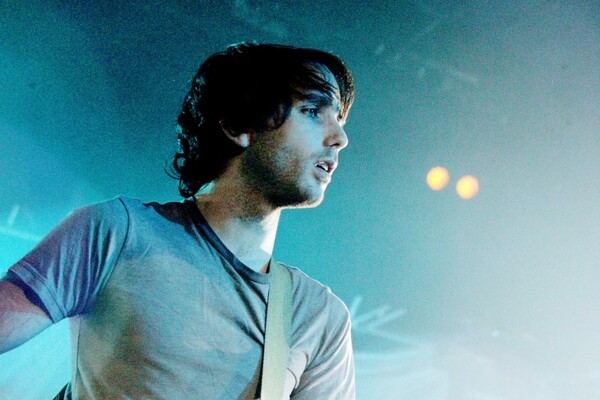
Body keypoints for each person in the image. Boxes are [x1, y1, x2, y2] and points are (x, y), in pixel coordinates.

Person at [0, 42, 355, 399]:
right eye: (313, 111)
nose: (339, 138)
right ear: (238, 124)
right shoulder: (117, 233)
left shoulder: (318, 318)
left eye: (339, 119)